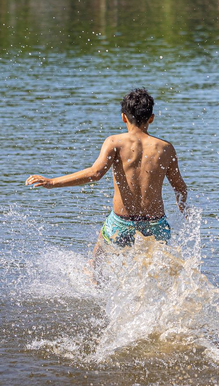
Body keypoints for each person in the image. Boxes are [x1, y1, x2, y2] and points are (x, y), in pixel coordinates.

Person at [25, 88, 188, 264]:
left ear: (124, 117)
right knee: (156, 271)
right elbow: (179, 187)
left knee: (95, 264)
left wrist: (52, 182)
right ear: (151, 118)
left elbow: (95, 174)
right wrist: (184, 210)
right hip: (156, 225)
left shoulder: (115, 142)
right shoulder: (165, 148)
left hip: (121, 224)